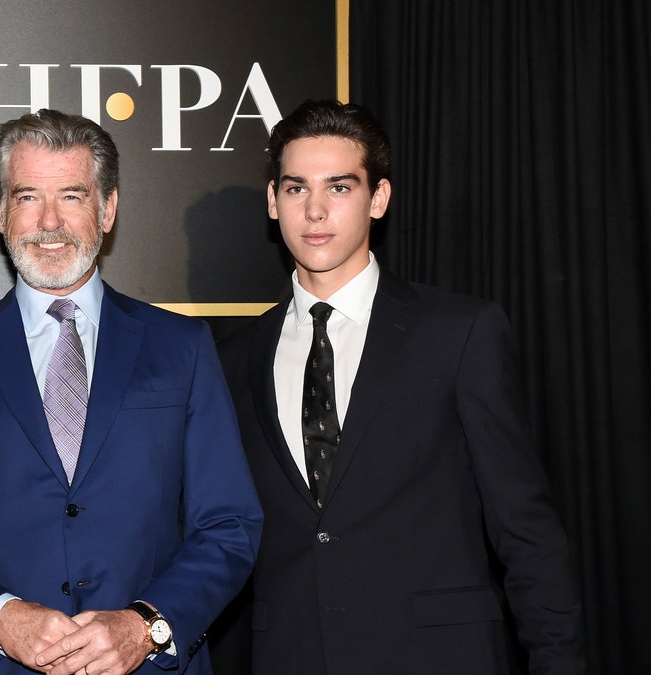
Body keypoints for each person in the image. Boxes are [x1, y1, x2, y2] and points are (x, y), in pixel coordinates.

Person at [0, 109, 263, 675]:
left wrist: (145, 625)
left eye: (72, 195)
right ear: (1, 212)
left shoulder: (182, 347)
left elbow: (229, 526)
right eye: (28, 196)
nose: (50, 222)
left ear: (107, 209)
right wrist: (1, 618)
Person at [216, 99, 583, 674]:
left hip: (441, 657)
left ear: (378, 198)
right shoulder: (235, 358)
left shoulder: (460, 333)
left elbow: (525, 527)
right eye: (295, 189)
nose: (315, 210)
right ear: (272, 200)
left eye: (339, 188)